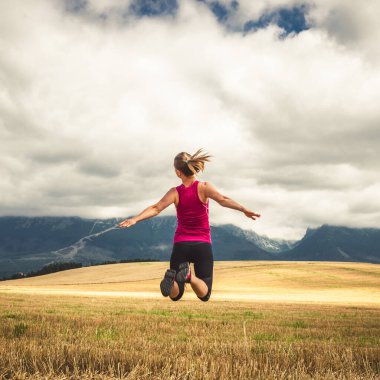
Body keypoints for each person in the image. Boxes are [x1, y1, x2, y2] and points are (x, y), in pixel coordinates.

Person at [118, 149, 260, 302]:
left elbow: (156, 208)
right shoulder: (204, 187)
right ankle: (190, 277)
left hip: (181, 245)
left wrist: (135, 219)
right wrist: (244, 209)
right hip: (202, 245)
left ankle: (172, 280)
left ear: (178, 173)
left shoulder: (175, 192)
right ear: (193, 167)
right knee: (205, 293)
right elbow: (223, 199)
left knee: (176, 295)